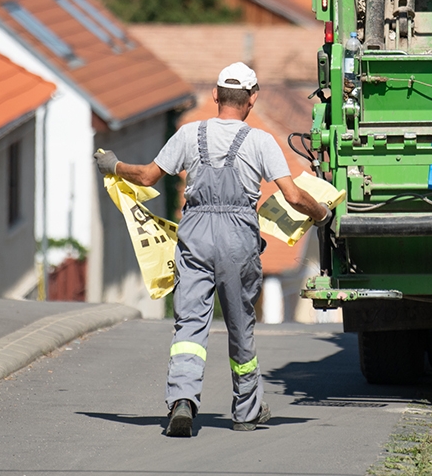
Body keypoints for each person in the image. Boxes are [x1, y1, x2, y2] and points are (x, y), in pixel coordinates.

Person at [94, 62, 331, 438]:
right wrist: (321, 213)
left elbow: (147, 176)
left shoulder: (189, 135)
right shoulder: (260, 141)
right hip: (238, 237)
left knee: (189, 324)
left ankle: (183, 401)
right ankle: (246, 411)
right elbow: (293, 195)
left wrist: (114, 164)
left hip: (196, 234)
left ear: (217, 96)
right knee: (240, 326)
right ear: (252, 99)